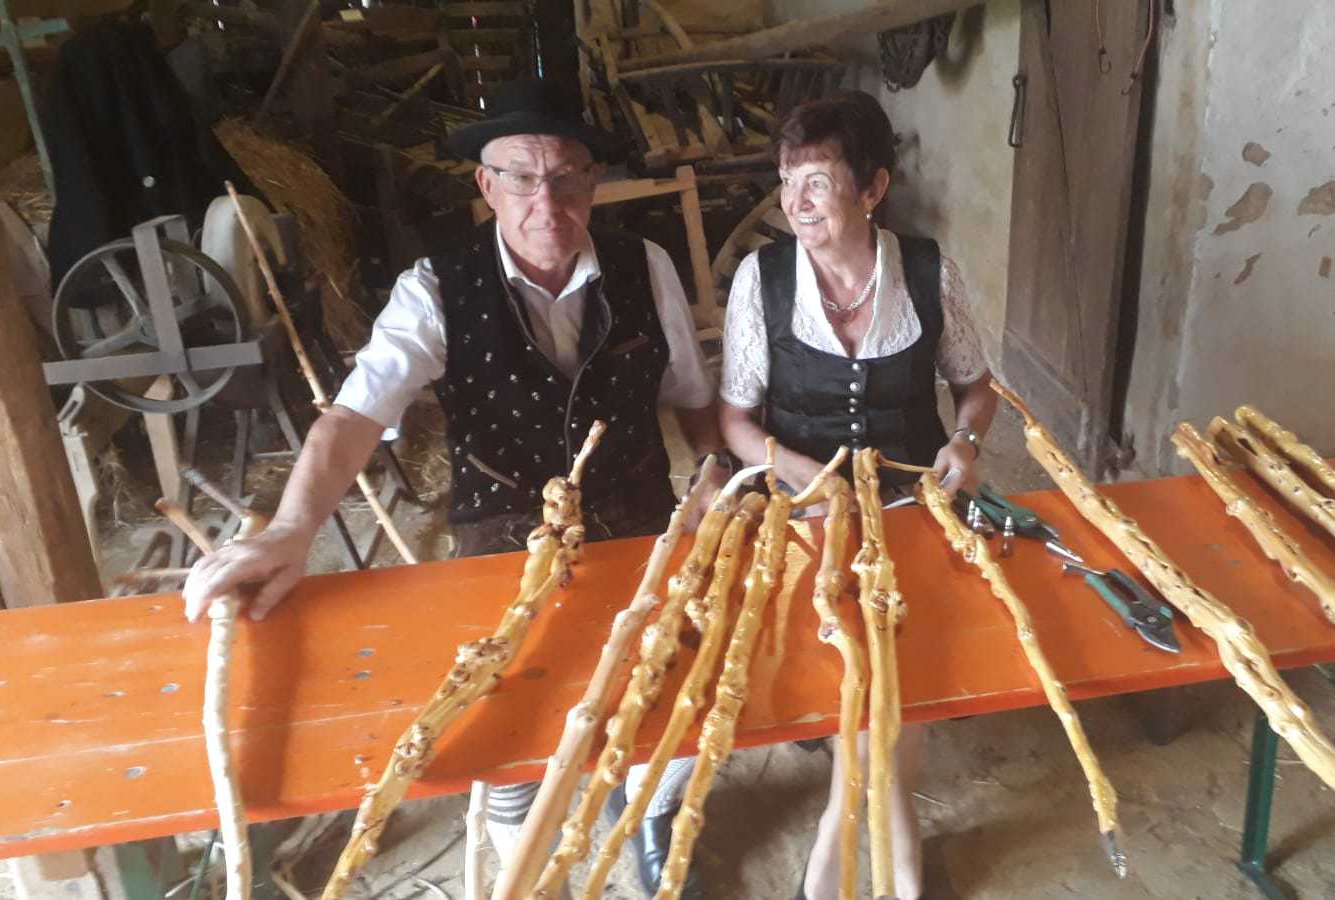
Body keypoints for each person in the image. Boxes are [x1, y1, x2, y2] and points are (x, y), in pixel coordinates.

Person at [181, 79, 716, 900]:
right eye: (522, 178)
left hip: (638, 514)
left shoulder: (645, 265)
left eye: (566, 176)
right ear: (487, 185)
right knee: (507, 712)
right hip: (502, 530)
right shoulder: (437, 286)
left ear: (593, 182)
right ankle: (522, 855)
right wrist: (291, 529)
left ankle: (647, 815)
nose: (547, 202)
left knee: (662, 684)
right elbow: (353, 417)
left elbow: (691, 395)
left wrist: (715, 475)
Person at [718, 90, 998, 900]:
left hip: (913, 504)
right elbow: (735, 422)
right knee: (848, 669)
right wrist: (804, 477)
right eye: (786, 181)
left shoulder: (928, 270)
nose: (795, 202)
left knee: (903, 666)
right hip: (802, 513)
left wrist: (965, 441)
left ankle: (851, 841)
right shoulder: (762, 280)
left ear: (873, 188)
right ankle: (885, 838)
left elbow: (976, 388)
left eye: (817, 181)